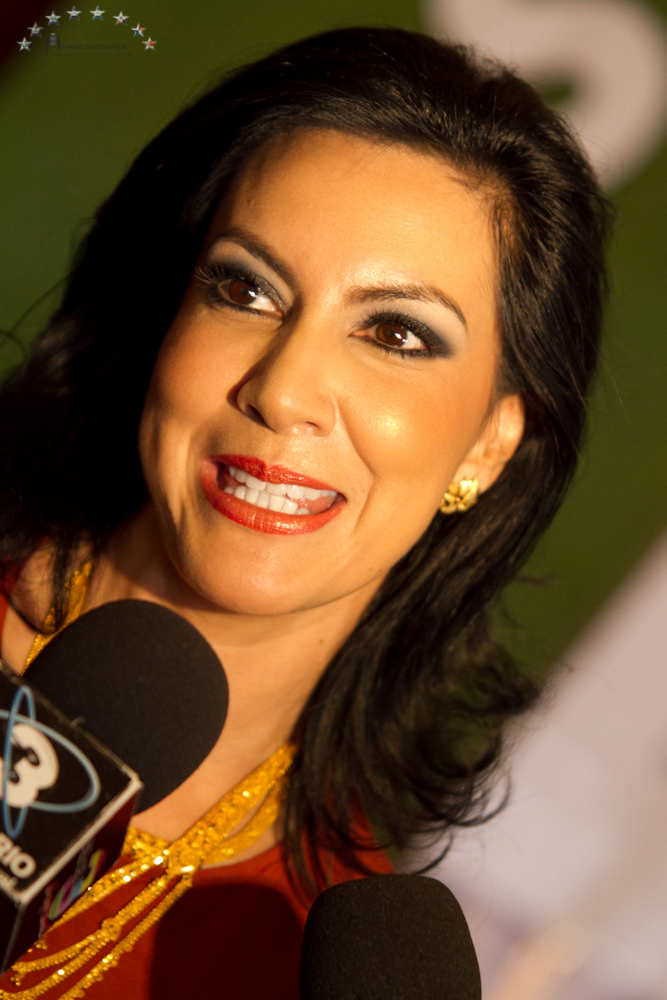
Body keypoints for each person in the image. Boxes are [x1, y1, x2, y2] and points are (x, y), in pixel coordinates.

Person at [0, 25, 610, 1000]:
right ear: (166, 317)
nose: (284, 390)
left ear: (488, 445)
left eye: (395, 334)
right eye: (245, 289)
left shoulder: (323, 946)